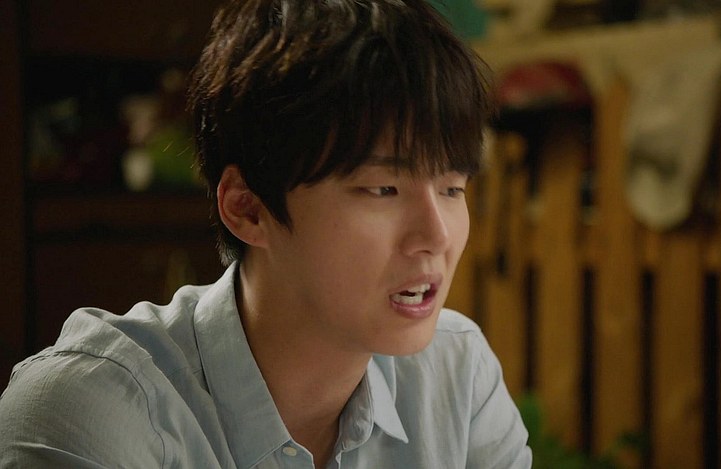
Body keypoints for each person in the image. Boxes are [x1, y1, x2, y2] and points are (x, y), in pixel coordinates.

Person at [0, 0, 532, 467]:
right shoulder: (94, 411)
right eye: (382, 189)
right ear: (247, 208)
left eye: (452, 188)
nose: (437, 236)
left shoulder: (457, 374)